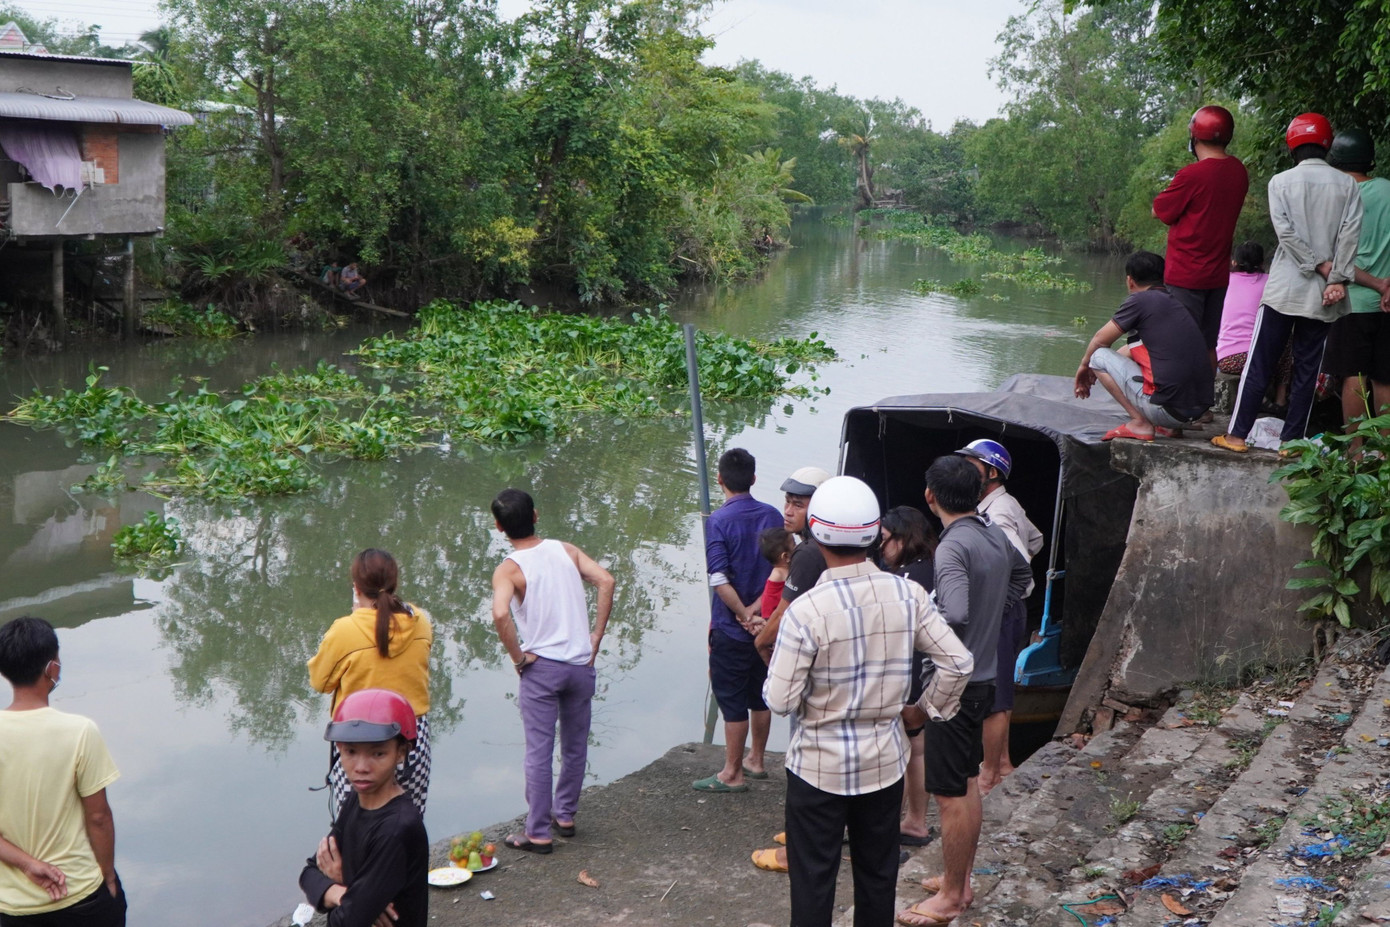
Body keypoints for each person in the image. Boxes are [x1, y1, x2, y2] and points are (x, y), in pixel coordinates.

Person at [764, 477, 973, 927]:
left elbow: (779, 700)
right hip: (883, 762)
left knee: (812, 880)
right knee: (879, 877)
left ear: (815, 532)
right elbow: (958, 662)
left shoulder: (807, 609)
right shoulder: (908, 594)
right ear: (874, 532)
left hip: (817, 767)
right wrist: (921, 710)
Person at [897, 455, 1031, 927]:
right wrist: (994, 614)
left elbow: (951, 612)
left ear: (930, 497)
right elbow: (1024, 578)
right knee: (968, 783)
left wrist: (914, 628)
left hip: (956, 684)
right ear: (977, 493)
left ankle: (952, 897)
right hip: (986, 676)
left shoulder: (952, 548)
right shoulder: (995, 532)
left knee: (950, 794)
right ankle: (961, 879)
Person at [1213, 113, 1364, 453]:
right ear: (1327, 145)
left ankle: (1236, 436)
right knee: (1307, 369)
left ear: (1292, 144)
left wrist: (1315, 265)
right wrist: (1336, 276)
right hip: (1324, 295)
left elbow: (1287, 235)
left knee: (1260, 362)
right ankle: (1291, 442)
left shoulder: (1280, 182)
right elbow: (1350, 235)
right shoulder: (1348, 185)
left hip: (1284, 289)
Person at [490, 488, 614, 852]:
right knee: (575, 746)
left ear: (499, 527)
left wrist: (518, 658)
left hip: (541, 669)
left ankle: (538, 832)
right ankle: (566, 815)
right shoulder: (567, 550)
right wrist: (596, 636)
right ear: (536, 515)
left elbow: (500, 614)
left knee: (539, 752)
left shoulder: (509, 569)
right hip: (579, 665)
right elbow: (606, 581)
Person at [0, 618, 123, 927]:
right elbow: (99, 818)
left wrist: (28, 864)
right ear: (52, 669)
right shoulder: (80, 732)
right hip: (80, 896)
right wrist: (107, 879)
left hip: (13, 908)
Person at [308, 549, 433, 816]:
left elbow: (320, 682)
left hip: (359, 739)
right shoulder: (420, 621)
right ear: (395, 583)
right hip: (412, 736)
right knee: (409, 816)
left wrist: (356, 616)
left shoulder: (346, 629)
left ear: (356, 588)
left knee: (354, 822)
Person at [954, 439, 1043, 796]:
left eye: (972, 465)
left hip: (1002, 610)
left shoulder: (998, 513)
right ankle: (1003, 764)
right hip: (1010, 609)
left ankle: (990, 774)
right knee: (1000, 690)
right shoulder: (1007, 503)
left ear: (991, 472)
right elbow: (1036, 540)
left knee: (994, 695)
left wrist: (998, 588)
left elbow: (1021, 556)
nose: (964, 470)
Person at [693, 448, 782, 794]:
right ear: (754, 479)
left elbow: (718, 577)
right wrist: (758, 612)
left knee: (731, 700)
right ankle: (756, 760)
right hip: (767, 626)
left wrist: (743, 614)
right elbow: (780, 570)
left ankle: (732, 772)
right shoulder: (773, 514)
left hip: (731, 629)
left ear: (719, 479)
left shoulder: (718, 520)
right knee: (760, 695)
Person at [299, 688, 428, 927]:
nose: (361, 767)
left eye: (378, 753)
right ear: (338, 748)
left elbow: (345, 922)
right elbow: (308, 873)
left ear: (401, 753)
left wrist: (343, 887)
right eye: (350, 752)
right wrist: (345, 894)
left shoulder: (397, 828)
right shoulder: (356, 799)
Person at [1074, 250, 1214, 440]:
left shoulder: (1140, 300)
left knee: (1098, 357)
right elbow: (1132, 351)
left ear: (1130, 280)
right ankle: (1173, 429)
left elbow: (1100, 340)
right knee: (1119, 357)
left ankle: (1139, 423)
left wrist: (1084, 367)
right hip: (1196, 413)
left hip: (1167, 412)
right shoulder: (1174, 303)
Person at [1152, 104, 1250, 365]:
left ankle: (1180, 404)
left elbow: (1160, 211)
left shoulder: (1191, 175)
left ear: (1194, 136)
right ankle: (1204, 403)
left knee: (1179, 343)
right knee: (1208, 344)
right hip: (1217, 276)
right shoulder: (1239, 171)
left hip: (1185, 275)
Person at [877, 506, 939, 847]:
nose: (882, 549)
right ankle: (915, 820)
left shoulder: (905, 579)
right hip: (927, 667)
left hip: (907, 669)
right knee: (917, 747)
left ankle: (888, 823)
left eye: (885, 541)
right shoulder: (933, 568)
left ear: (903, 539)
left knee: (898, 749)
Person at [1322, 129, 1390, 433]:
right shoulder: (1388, 190)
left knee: (1354, 375)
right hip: (1387, 303)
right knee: (1385, 377)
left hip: (1350, 302)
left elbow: (1336, 261)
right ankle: (1386, 457)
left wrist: (1375, 283)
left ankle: (1356, 454)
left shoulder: (1336, 198)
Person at [752, 465, 833, 664]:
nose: (787, 512)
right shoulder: (829, 542)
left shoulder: (807, 552)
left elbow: (783, 615)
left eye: (798, 505)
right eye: (787, 502)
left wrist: (760, 643)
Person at [757, 526, 795, 631]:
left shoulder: (784, 571)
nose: (797, 547)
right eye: (794, 544)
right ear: (786, 556)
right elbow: (768, 602)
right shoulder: (778, 574)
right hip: (778, 624)